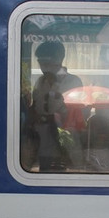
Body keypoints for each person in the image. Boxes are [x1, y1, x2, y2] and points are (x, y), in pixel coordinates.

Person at [28, 41, 84, 171]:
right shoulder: (40, 82)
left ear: (59, 58)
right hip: (43, 144)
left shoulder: (73, 82)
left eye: (47, 62)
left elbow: (78, 115)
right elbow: (36, 105)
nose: (43, 67)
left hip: (65, 143)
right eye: (40, 62)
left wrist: (52, 117)